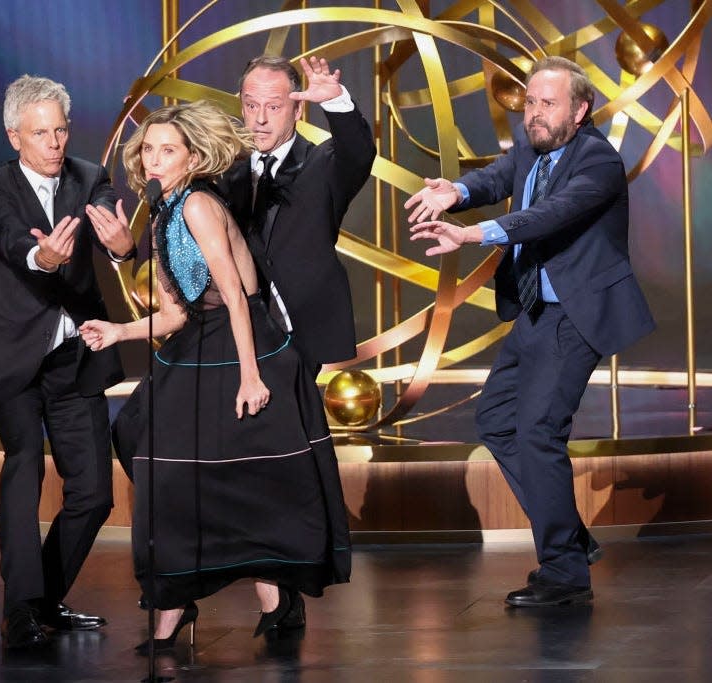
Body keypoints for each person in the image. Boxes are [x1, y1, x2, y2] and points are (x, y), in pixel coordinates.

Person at [79, 100, 351, 652]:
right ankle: (174, 607)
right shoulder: (160, 214)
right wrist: (118, 332)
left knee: (248, 474)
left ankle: (276, 597)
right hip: (195, 339)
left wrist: (250, 377)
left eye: (168, 150)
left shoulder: (200, 204)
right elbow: (177, 312)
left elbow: (233, 295)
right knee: (156, 457)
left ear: (194, 157)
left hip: (244, 342)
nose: (154, 160)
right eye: (149, 149)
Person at [405, 56, 655, 607]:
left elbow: (551, 214)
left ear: (580, 109)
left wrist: (473, 237)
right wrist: (456, 193)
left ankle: (564, 573)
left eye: (548, 104)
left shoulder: (598, 160)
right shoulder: (531, 150)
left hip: (577, 314)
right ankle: (564, 530)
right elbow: (494, 178)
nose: (534, 115)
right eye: (530, 104)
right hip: (535, 312)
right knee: (496, 419)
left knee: (539, 433)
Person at [0, 74, 136, 649]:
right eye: (41, 133)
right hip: (13, 356)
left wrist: (120, 245)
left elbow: (116, 226)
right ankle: (20, 610)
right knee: (24, 464)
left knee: (93, 492)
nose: (55, 143)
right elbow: (10, 238)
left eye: (61, 130)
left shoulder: (89, 177)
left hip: (73, 357)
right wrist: (41, 255)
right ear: (15, 136)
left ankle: (43, 599)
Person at [216, 54, 375, 375]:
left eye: (273, 107)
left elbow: (357, 152)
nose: (260, 119)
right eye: (251, 105)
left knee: (293, 420)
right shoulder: (224, 170)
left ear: (298, 110)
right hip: (235, 324)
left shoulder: (323, 164)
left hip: (299, 326)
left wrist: (336, 103)